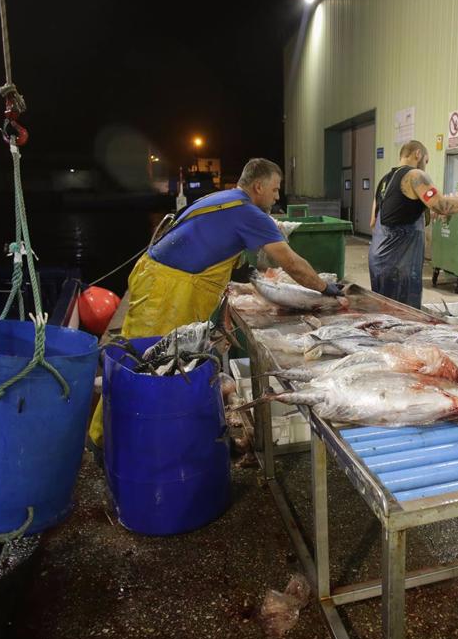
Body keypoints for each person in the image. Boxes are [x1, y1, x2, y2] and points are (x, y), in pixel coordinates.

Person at [88, 158, 340, 447]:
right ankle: (103, 439)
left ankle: (152, 434)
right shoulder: (249, 213)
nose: (277, 196)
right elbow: (292, 263)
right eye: (275, 189)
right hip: (166, 290)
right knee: (138, 364)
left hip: (165, 282)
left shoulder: (224, 200)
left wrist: (230, 296)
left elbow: (216, 251)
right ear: (258, 187)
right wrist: (325, 288)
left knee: (162, 363)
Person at [368, 140, 458, 308]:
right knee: (404, 315)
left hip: (378, 262)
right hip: (399, 266)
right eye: (426, 161)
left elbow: (374, 221)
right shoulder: (415, 175)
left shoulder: (384, 180)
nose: (425, 166)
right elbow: (442, 205)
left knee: (385, 312)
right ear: (418, 154)